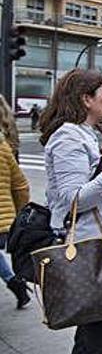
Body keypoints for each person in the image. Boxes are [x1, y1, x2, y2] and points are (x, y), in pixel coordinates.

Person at [39, 69, 102, 354]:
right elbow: (73, 200)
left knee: (95, 338)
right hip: (89, 250)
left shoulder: (87, 134)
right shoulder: (68, 138)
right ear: (86, 99)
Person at [0, 97, 30, 309]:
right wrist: (18, 218)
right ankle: (15, 283)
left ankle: (15, 283)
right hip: (4, 222)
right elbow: (20, 186)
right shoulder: (3, 143)